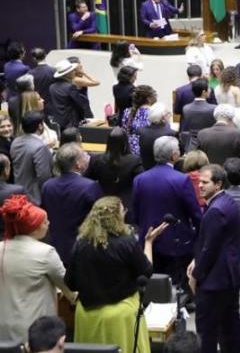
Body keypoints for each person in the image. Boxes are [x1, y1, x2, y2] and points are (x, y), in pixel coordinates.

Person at [65, 197, 168, 353]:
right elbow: (146, 272)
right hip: (120, 317)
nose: (125, 213)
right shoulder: (126, 243)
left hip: (87, 316)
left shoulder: (80, 244)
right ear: (116, 216)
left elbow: (70, 283)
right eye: (122, 211)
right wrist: (148, 243)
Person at [0, 196, 75, 344]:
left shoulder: (1, 247)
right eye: (45, 221)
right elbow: (69, 288)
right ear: (34, 228)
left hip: (3, 327)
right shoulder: (46, 252)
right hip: (36, 329)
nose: (48, 224)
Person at [133, 137, 203, 289]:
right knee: (173, 289)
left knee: (153, 286)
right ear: (173, 155)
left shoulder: (139, 179)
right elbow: (195, 214)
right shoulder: (181, 180)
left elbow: (136, 214)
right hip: (175, 244)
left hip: (148, 242)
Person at [188, 164, 240, 353]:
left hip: (214, 280)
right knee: (230, 324)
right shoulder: (227, 201)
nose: (200, 185)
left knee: (207, 331)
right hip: (228, 276)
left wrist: (195, 274)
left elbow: (209, 248)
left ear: (218, 184)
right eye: (199, 181)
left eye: (205, 182)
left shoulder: (215, 211)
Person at [41, 143, 103, 267]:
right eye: (84, 155)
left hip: (53, 248)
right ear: (78, 164)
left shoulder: (47, 186)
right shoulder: (90, 186)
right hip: (82, 250)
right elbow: (100, 218)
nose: (88, 156)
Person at [85, 127, 144, 219]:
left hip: (102, 203)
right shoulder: (134, 161)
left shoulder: (96, 160)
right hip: (125, 206)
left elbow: (86, 180)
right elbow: (141, 183)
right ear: (125, 143)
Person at [9, 111, 53, 204]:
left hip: (17, 192)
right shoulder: (40, 147)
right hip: (34, 197)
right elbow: (44, 177)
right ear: (40, 126)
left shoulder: (16, 141)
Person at [47, 59, 93, 129]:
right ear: (68, 74)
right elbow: (80, 103)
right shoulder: (70, 87)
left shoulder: (52, 87)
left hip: (58, 122)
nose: (74, 72)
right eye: (72, 71)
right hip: (71, 123)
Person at [121, 85, 156, 155]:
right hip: (146, 153)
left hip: (128, 151)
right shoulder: (153, 113)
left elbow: (124, 129)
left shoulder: (127, 111)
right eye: (154, 95)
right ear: (149, 99)